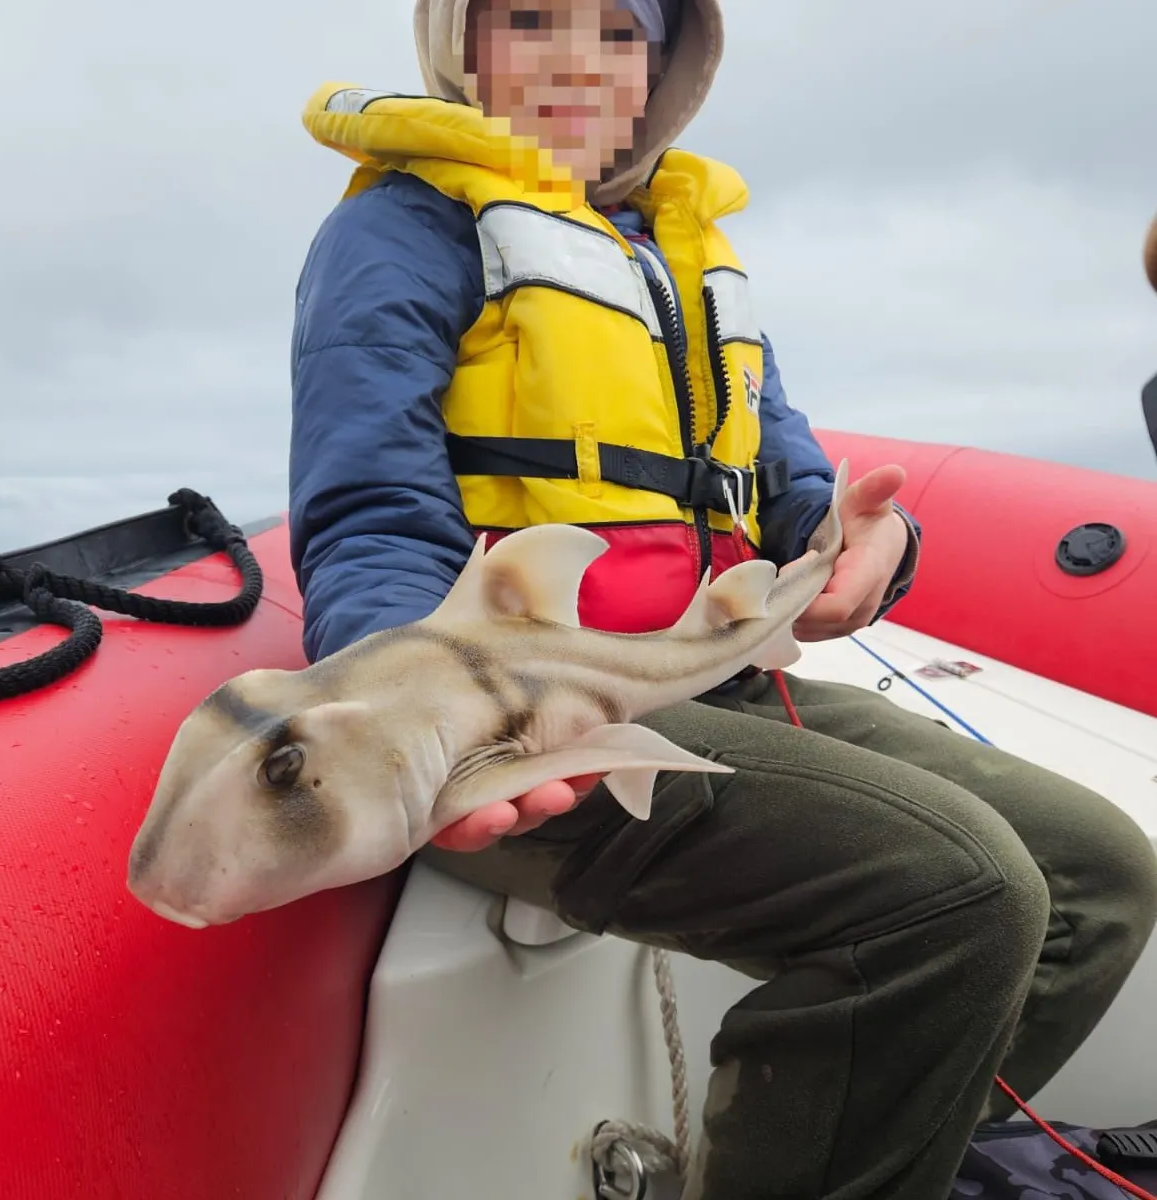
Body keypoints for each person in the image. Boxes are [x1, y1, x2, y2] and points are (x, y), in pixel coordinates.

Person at [287, 1, 1157, 1196]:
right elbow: (370, 511)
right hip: (531, 723)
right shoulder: (403, 228)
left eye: (619, 31)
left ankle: (881, 1159)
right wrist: (425, 723)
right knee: (961, 892)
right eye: (530, 18)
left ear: (665, 66)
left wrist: (871, 541)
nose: (577, 62)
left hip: (718, 677)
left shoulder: (681, 252)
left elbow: (789, 476)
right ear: (461, 44)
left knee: (1099, 874)